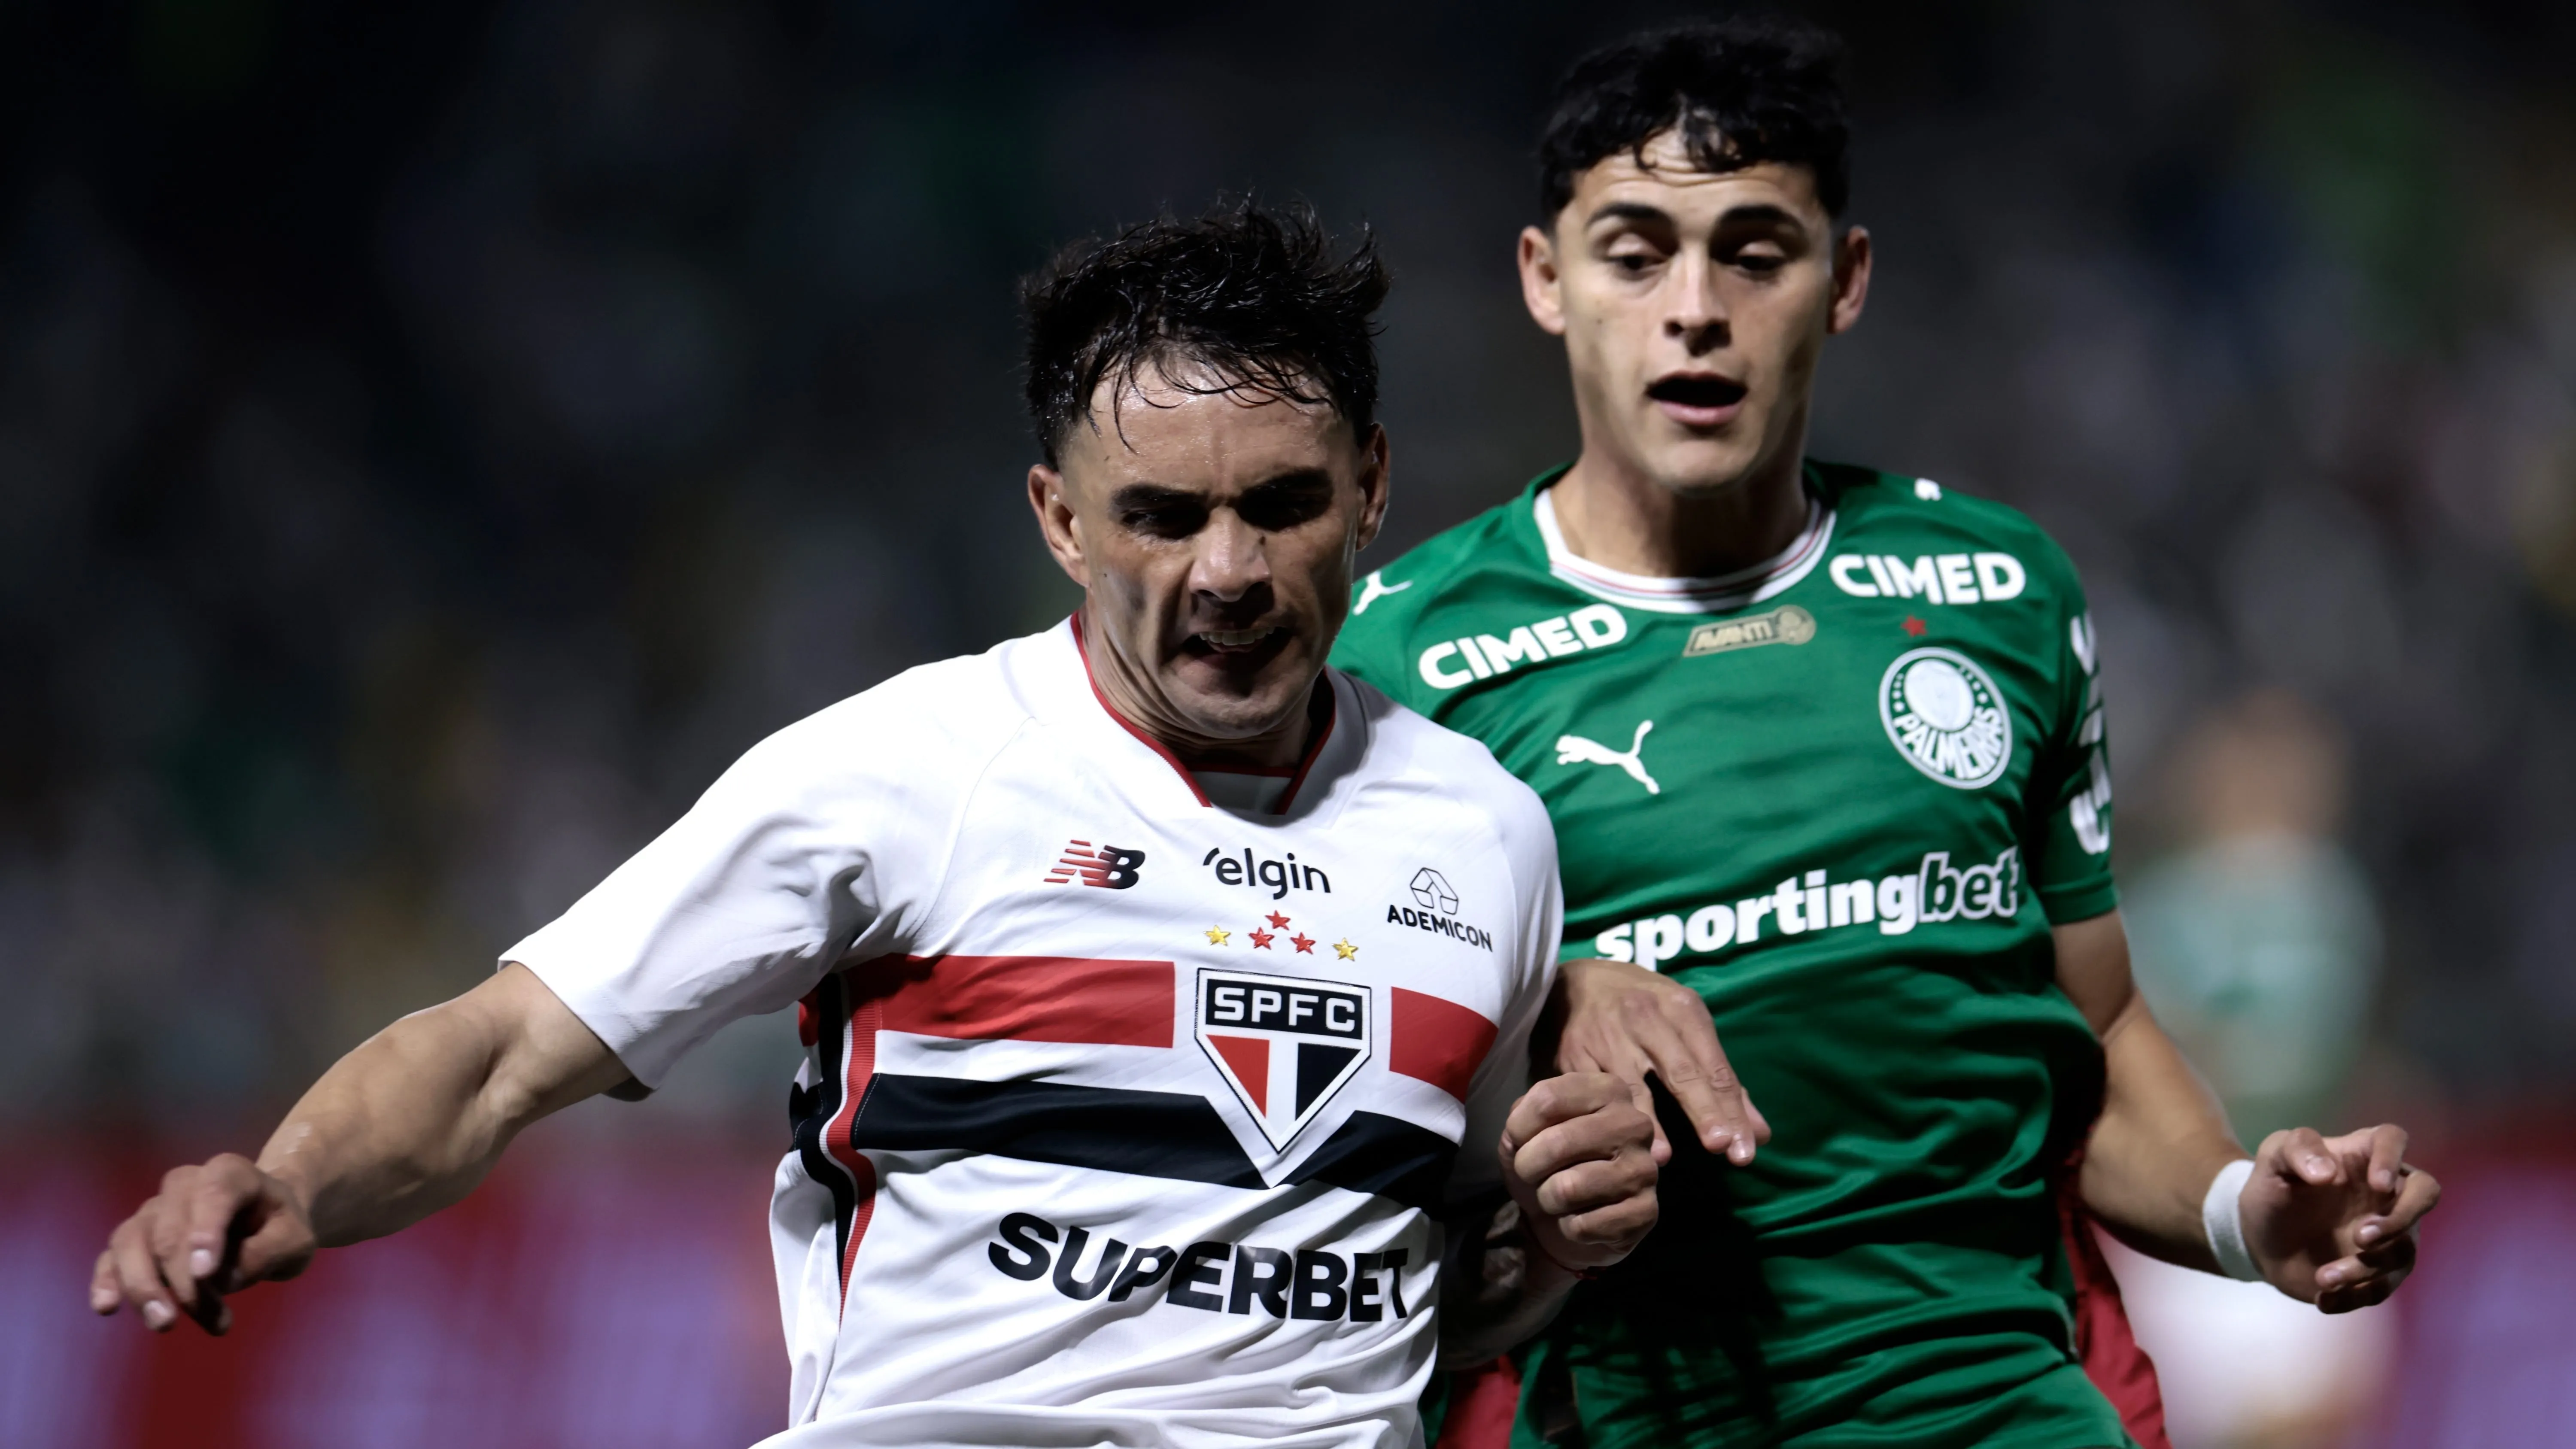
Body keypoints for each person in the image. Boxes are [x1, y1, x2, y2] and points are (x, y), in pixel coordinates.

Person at [89, 202, 1660, 1449]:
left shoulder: (1485, 836)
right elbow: (501, 1049)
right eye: (1162, 517)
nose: (1229, 571)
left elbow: (1422, 1298)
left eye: (1283, 504)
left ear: (1371, 487)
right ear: (1060, 520)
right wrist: (288, 1184)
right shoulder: (908, 769)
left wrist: (1556, 1243)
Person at [1329, 21, 2440, 1449]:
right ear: (1546, 279)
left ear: (1844, 278)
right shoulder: (1403, 659)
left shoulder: (2000, 591)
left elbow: (2096, 1028)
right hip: (1639, 1416)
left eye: (1754, 252)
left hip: (1999, 1404)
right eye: (1634, 254)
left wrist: (2240, 1210)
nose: (1695, 308)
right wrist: (1550, 999)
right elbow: (1350, 1095)